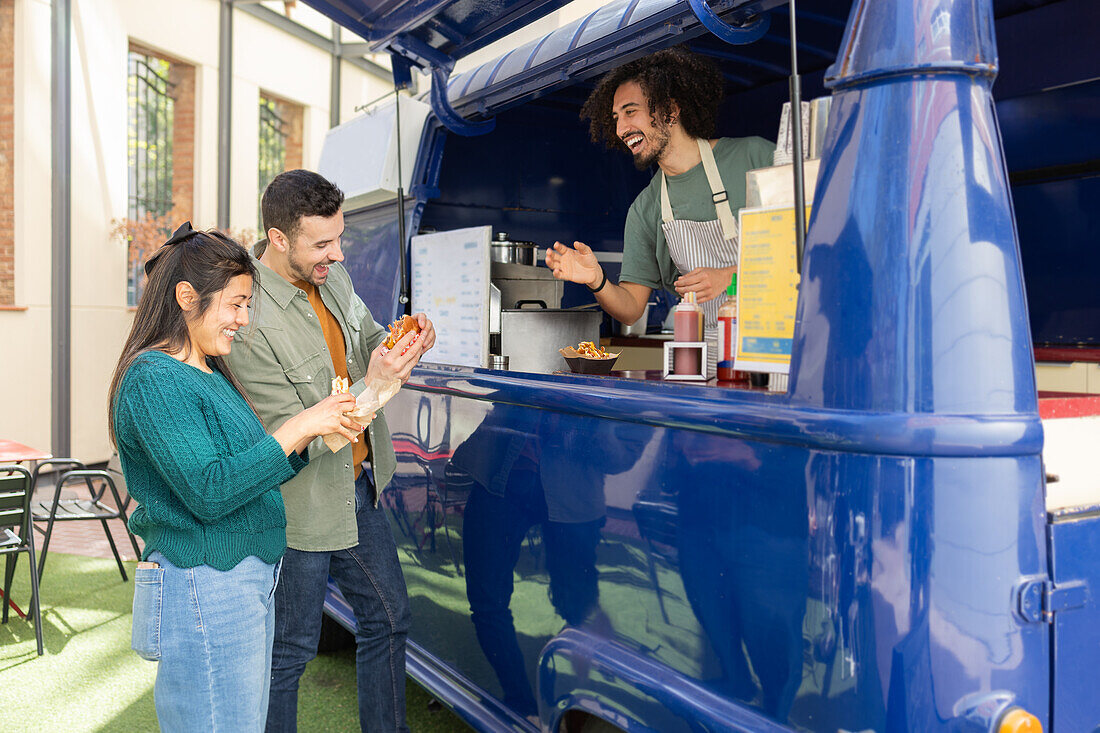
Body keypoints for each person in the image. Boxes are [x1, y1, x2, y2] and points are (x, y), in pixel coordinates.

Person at [109, 224, 363, 731]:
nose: (244, 321)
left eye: (248, 306)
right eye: (236, 304)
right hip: (206, 584)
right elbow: (210, 490)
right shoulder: (154, 378)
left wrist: (320, 432)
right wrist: (297, 427)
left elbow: (251, 472)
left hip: (234, 584)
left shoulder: (205, 370)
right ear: (187, 296)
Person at [225, 169, 436, 733]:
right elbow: (298, 437)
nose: (337, 255)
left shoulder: (331, 278)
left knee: (389, 619)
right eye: (322, 243)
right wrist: (379, 383)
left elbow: (367, 339)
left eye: (339, 238)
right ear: (277, 238)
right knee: (289, 652)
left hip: (356, 489)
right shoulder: (246, 317)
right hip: (296, 509)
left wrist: (399, 340)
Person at [545, 47, 775, 376]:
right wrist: (597, 281)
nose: (621, 128)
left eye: (630, 112)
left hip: (781, 350)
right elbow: (630, 308)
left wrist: (730, 275)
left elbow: (813, 248)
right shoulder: (646, 208)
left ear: (669, 110)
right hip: (707, 364)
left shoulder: (754, 157)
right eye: (615, 119)